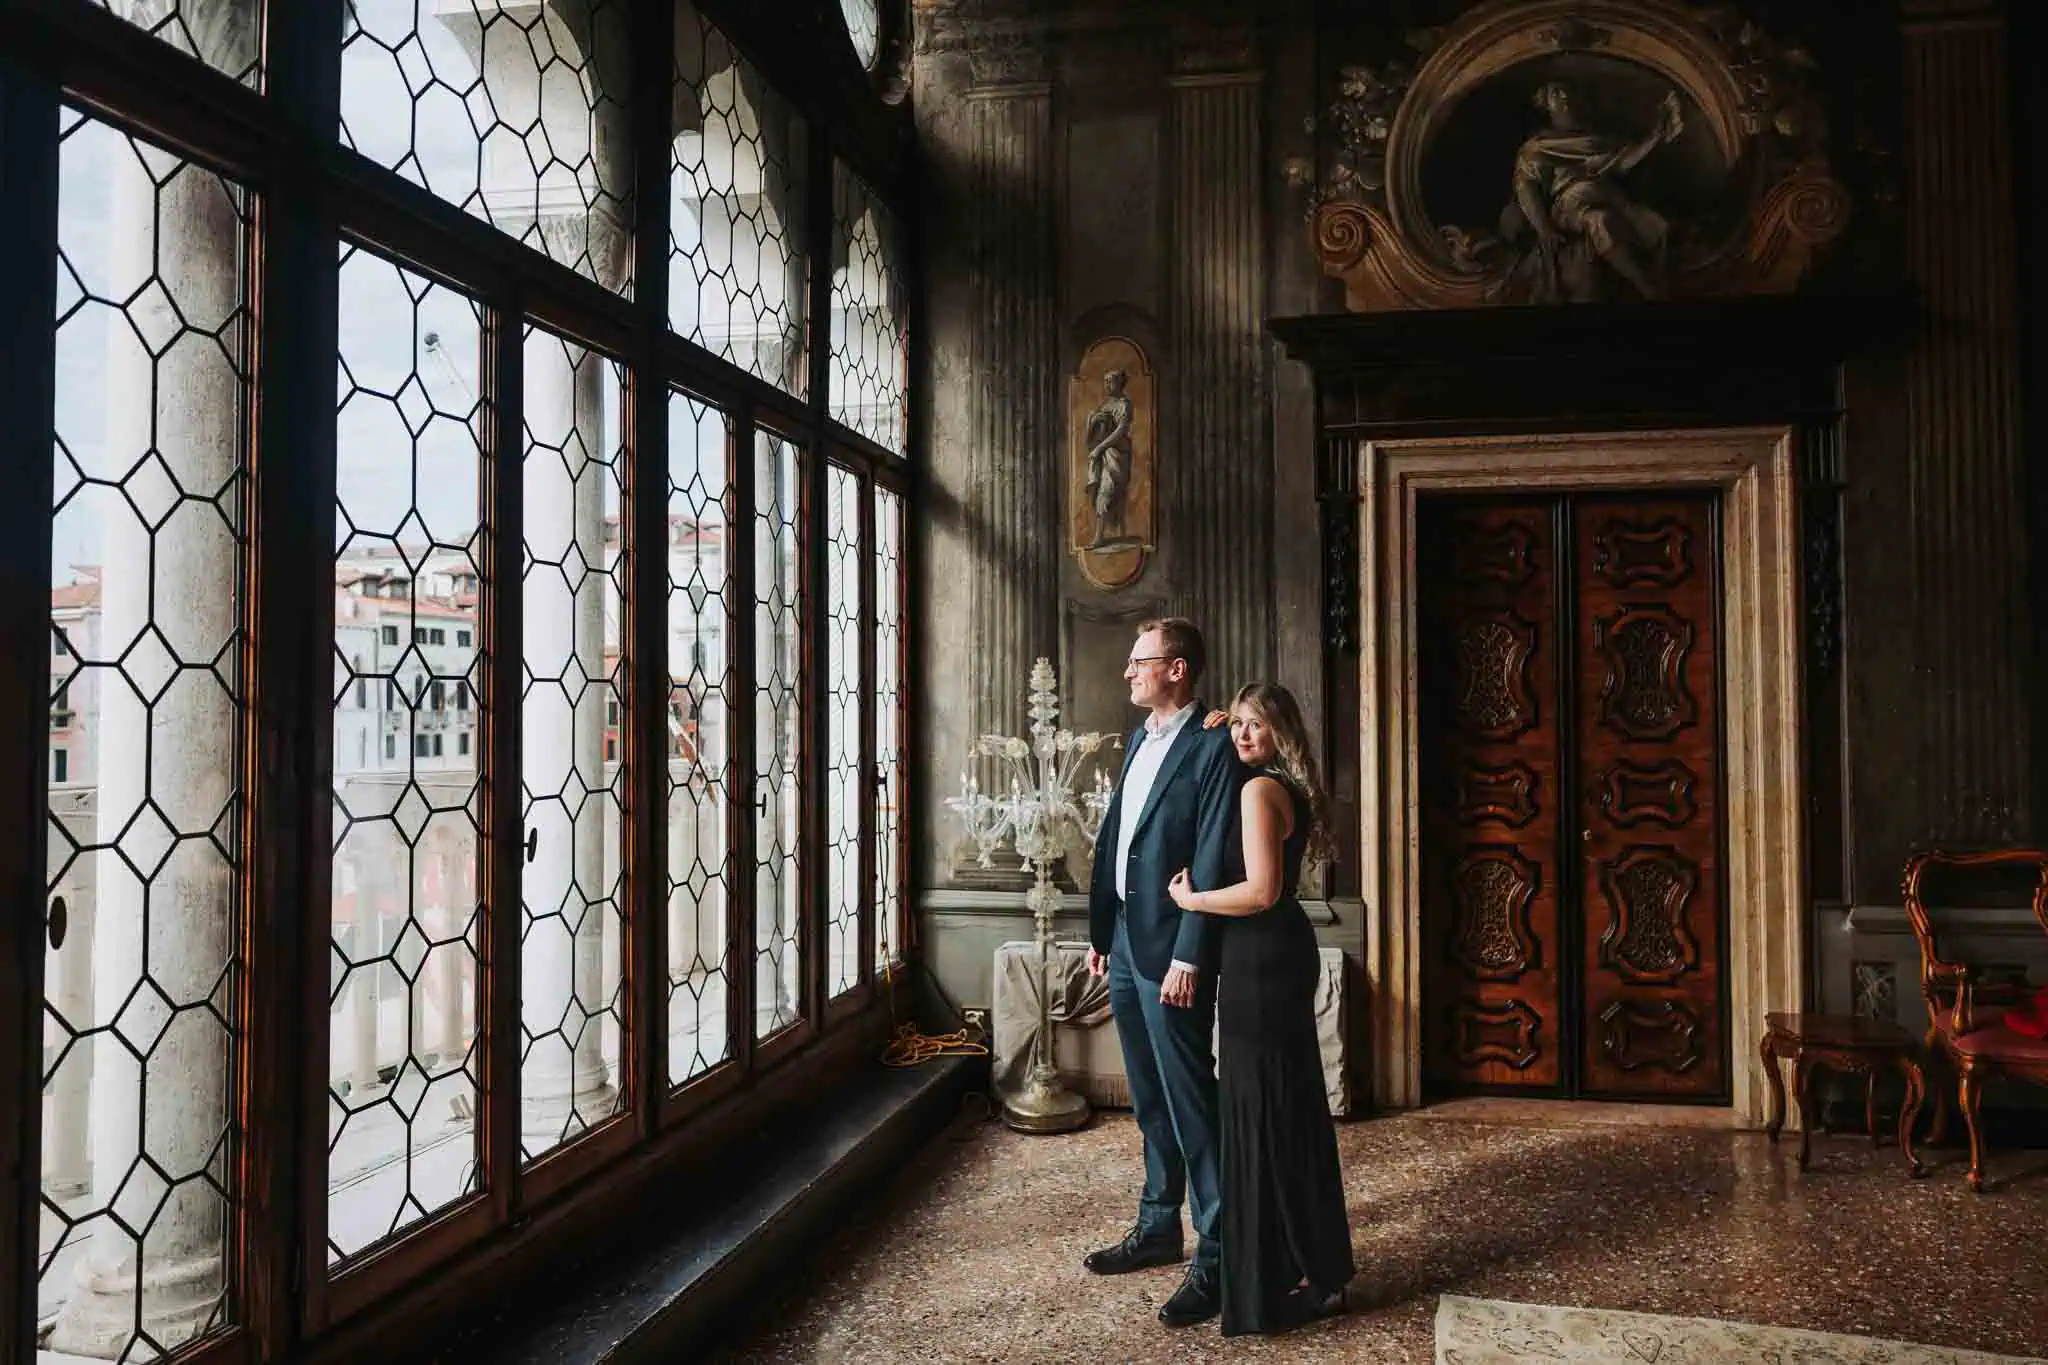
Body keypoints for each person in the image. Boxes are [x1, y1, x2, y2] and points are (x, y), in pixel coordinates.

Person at [1169, 682, 1354, 1336]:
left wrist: (1192, 903)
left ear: (1281, 733)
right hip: (1271, 958)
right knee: (1282, 1108)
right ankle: (1310, 1267)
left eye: (1256, 726)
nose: (1242, 735)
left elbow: (1261, 890)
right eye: (1237, 725)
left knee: (1266, 1112)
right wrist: (1220, 723)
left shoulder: (1257, 791)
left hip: (1263, 961)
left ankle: (1304, 1271)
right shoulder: (1282, 784)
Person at [1083, 618, 1246, 1328]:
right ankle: (1158, 1227)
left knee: (1189, 1101)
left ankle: (1218, 1252)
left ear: (1176, 669)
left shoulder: (1213, 743)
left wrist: (1189, 952)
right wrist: (1102, 931)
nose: (1128, 674)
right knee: (1148, 1094)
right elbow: (1122, 834)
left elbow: (1210, 850)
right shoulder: (1138, 740)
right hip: (1123, 937)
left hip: (1172, 946)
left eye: (1138, 663)